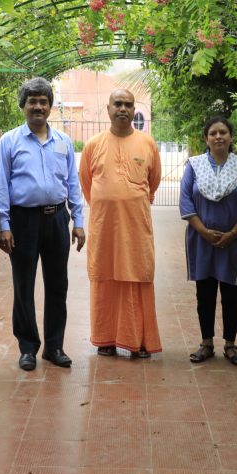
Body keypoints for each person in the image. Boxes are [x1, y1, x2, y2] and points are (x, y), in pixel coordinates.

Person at [0, 78, 86, 371]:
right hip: (22, 220)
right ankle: (28, 348)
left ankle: (54, 346)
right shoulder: (10, 141)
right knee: (24, 285)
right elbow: (1, 186)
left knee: (58, 285)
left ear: (50, 106)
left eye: (43, 101)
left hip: (57, 218)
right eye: (32, 101)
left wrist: (78, 221)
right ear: (23, 106)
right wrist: (4, 225)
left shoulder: (63, 141)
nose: (37, 106)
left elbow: (73, 182)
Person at [80, 89, 162, 358]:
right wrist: (108, 203)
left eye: (128, 104)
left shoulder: (147, 143)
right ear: (108, 109)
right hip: (105, 228)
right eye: (118, 104)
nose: (123, 109)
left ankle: (138, 339)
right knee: (105, 277)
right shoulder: (93, 144)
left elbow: (154, 181)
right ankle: (106, 338)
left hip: (136, 227)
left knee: (138, 275)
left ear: (134, 109)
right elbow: (86, 183)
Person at [180, 116, 237, 365]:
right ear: (206, 138)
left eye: (223, 132)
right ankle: (206, 343)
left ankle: (230, 344)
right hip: (201, 239)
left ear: (231, 137)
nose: (218, 137)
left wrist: (233, 233)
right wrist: (203, 231)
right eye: (213, 133)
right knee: (205, 292)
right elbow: (186, 201)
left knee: (232, 293)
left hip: (233, 241)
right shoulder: (194, 165)